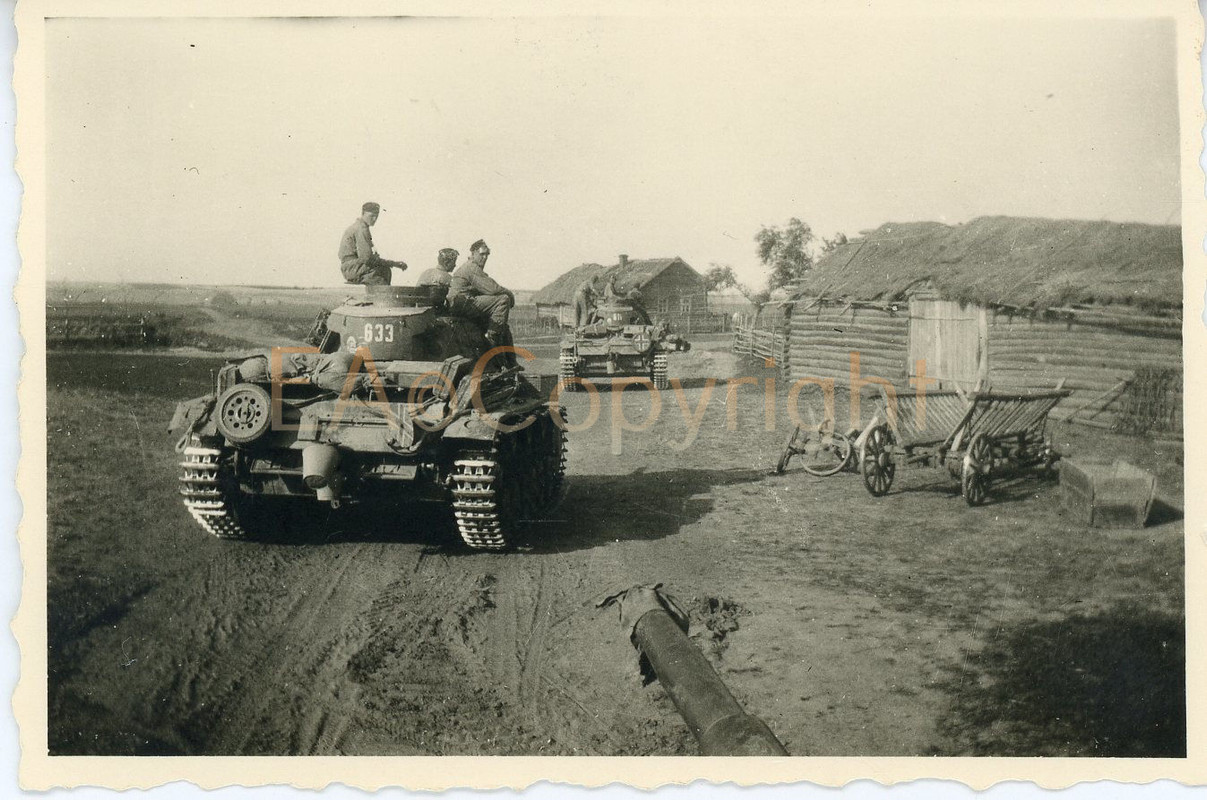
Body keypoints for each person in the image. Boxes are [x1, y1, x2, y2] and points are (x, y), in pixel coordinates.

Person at [449, 239, 516, 356]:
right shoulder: (471, 267)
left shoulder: (471, 267)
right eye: (482, 254)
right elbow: (492, 288)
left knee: (504, 327)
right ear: (473, 253)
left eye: (487, 254)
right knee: (503, 299)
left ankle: (509, 360)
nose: (485, 257)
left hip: (464, 304)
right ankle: (492, 337)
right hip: (464, 304)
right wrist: (509, 294)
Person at [338, 202, 408, 285]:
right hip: (352, 267)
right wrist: (393, 263)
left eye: (376, 216)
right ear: (363, 214)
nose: (374, 219)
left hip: (352, 266)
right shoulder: (361, 228)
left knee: (384, 270)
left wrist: (392, 263)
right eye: (371, 216)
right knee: (382, 275)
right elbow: (367, 257)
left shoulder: (358, 226)